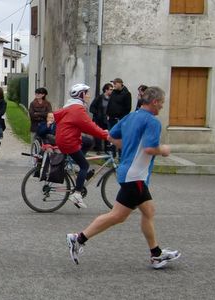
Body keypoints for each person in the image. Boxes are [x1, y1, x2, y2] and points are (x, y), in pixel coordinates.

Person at [66, 86, 181, 269]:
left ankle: (156, 254)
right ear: (155, 102)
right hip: (134, 176)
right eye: (162, 104)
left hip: (130, 173)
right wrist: (164, 150)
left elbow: (111, 136)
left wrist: (126, 146)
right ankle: (78, 238)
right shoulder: (152, 121)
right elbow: (150, 148)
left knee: (148, 211)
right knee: (118, 216)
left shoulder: (131, 116)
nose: (162, 107)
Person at [54, 83, 109, 208]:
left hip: (65, 138)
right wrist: (106, 135)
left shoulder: (71, 106)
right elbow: (90, 127)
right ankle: (77, 194)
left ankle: (75, 165)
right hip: (69, 141)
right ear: (81, 94)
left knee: (89, 142)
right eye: (87, 93)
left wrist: (101, 132)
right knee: (85, 165)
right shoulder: (77, 109)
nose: (88, 96)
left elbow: (83, 125)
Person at [90, 83, 113, 152]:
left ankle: (107, 150)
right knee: (98, 134)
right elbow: (92, 108)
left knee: (107, 134)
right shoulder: (99, 98)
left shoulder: (112, 99)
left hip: (107, 120)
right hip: (99, 119)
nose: (112, 91)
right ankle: (99, 149)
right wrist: (97, 114)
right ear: (106, 90)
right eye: (110, 89)